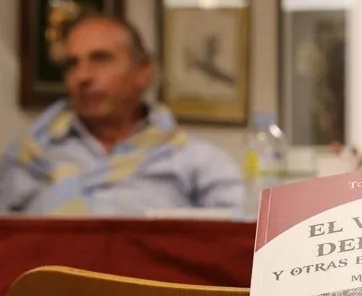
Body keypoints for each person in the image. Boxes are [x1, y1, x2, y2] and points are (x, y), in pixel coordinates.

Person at [0, 15, 244, 215]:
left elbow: (237, 243)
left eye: (101, 59)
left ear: (143, 71)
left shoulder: (195, 160)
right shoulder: (29, 157)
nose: (83, 76)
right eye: (72, 64)